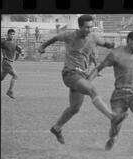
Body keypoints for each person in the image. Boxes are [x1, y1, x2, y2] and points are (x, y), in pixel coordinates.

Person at [38, 15, 128, 144]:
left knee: (74, 108)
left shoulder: (94, 37)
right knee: (91, 89)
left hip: (82, 76)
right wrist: (42, 47)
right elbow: (54, 39)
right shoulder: (68, 35)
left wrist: (118, 46)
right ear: (79, 26)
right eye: (87, 27)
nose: (89, 29)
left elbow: (107, 44)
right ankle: (112, 117)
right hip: (70, 73)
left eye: (91, 27)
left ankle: (56, 128)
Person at [88, 32, 133, 156]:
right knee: (116, 124)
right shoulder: (115, 54)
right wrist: (88, 82)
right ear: (129, 41)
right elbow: (99, 68)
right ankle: (113, 138)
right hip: (119, 93)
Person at [1, 29, 23, 99]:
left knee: (1, 78)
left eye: (13, 34)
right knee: (15, 75)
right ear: (8, 34)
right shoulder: (4, 42)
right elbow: (3, 50)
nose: (12, 35)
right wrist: (4, 56)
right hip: (6, 62)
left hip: (10, 62)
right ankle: (10, 91)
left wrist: (20, 52)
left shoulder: (14, 42)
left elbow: (18, 50)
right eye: (11, 34)